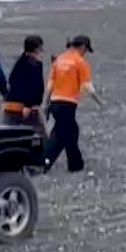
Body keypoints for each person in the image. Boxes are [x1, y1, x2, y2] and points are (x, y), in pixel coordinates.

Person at [43, 36, 98, 174]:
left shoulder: (59, 60)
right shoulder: (79, 62)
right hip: (68, 104)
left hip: (55, 102)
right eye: (86, 50)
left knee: (70, 131)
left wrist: (46, 101)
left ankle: (75, 163)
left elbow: (50, 84)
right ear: (83, 47)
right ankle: (45, 161)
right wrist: (99, 101)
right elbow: (88, 86)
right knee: (62, 134)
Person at [3, 35, 47, 134]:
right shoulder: (35, 65)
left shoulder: (19, 62)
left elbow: (12, 81)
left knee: (11, 135)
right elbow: (36, 86)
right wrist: (30, 105)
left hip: (10, 105)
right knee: (40, 137)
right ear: (37, 48)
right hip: (25, 108)